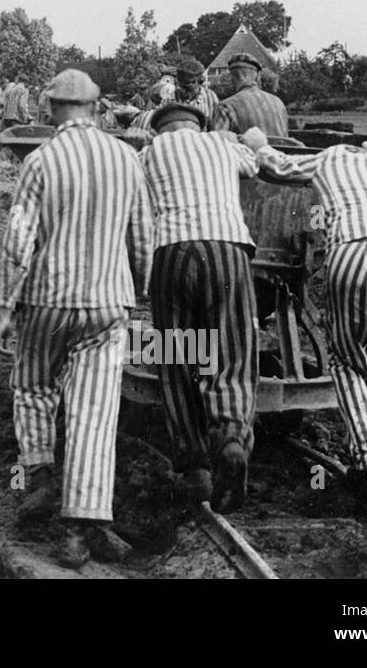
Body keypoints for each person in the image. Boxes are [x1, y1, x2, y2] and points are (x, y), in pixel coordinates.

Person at [0, 69, 152, 567]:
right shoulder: (127, 159)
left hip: (47, 301)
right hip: (107, 305)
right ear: (97, 108)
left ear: (51, 108)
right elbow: (143, 237)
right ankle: (79, 532)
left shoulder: (39, 162)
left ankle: (38, 473)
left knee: (33, 385)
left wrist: (3, 307)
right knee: (94, 416)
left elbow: (19, 241)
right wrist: (138, 292)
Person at [248, 129, 367, 536]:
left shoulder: (332, 158)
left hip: (354, 253)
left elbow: (278, 167)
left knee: (347, 359)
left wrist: (256, 143)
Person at [141, 102, 260, 511]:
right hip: (227, 249)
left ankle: (195, 468)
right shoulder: (222, 146)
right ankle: (229, 435)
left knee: (178, 356)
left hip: (172, 251)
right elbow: (255, 162)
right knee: (231, 349)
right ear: (199, 125)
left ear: (159, 131)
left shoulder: (149, 152)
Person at [213, 53, 288, 138]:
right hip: (279, 151)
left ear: (232, 78)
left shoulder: (226, 106)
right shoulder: (278, 103)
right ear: (258, 77)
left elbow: (219, 143)